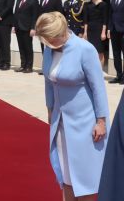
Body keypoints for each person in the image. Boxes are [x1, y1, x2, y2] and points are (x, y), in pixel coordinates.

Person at [37, 12, 108, 201]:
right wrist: (50, 110)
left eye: (49, 37)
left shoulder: (85, 49)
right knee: (66, 175)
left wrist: (101, 121)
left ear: (60, 32)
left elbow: (98, 88)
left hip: (85, 123)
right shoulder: (49, 49)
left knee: (86, 179)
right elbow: (48, 83)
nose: (47, 42)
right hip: (60, 122)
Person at [13, 0, 40, 73]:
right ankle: (23, 65)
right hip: (18, 27)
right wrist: (14, 25)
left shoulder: (34, 1)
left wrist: (33, 28)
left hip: (27, 28)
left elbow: (35, 15)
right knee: (21, 47)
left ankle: (29, 67)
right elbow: (16, 13)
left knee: (28, 48)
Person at [84, 0, 109, 70]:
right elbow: (86, 20)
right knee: (90, 51)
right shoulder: (87, 5)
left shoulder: (103, 4)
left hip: (99, 30)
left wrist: (103, 32)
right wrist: (85, 33)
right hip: (90, 31)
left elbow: (105, 20)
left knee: (99, 52)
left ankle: (100, 72)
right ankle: (91, 71)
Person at [108, 0, 124, 83]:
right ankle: (119, 75)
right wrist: (109, 29)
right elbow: (110, 15)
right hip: (114, 30)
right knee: (116, 54)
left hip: (123, 31)